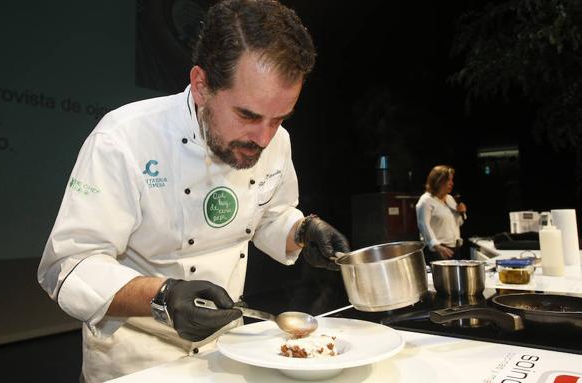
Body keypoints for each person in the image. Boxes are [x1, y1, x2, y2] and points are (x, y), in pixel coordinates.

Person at [37, 1, 350, 381]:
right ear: (202, 85)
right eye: (248, 116)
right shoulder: (123, 139)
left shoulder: (276, 142)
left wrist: (301, 231)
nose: (264, 138)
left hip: (226, 354)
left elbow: (267, 215)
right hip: (136, 361)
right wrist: (161, 296)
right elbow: (69, 266)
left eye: (279, 119)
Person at [415, 165, 468, 263]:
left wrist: (461, 212)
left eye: (452, 180)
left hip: (454, 249)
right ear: (439, 181)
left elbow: (459, 223)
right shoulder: (426, 201)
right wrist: (437, 246)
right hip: (438, 251)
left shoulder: (450, 199)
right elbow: (423, 225)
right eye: (449, 180)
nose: (452, 183)